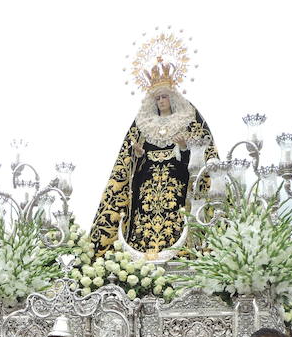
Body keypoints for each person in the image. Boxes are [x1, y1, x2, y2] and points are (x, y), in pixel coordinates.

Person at [90, 40, 217, 257]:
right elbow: (126, 165)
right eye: (157, 97)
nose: (161, 101)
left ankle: (183, 252)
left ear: (172, 97)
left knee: (178, 218)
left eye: (165, 96)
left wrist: (184, 147)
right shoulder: (142, 123)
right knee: (143, 220)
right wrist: (138, 155)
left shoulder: (189, 117)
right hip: (146, 188)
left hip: (177, 184)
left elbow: (203, 154)